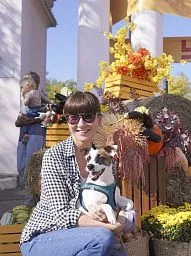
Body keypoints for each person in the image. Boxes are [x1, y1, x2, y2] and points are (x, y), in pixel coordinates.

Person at [20, 92, 134, 256]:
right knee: (102, 239)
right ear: (67, 120)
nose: (81, 124)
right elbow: (61, 216)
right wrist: (109, 226)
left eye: (88, 117)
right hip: (43, 237)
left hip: (87, 235)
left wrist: (122, 218)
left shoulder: (103, 157)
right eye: (73, 117)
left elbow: (112, 198)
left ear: (99, 119)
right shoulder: (54, 157)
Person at [15, 73, 46, 200]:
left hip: (36, 134)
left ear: (35, 83)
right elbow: (18, 121)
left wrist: (31, 119)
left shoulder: (40, 96)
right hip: (23, 136)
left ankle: (32, 199)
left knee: (32, 167)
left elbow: (46, 116)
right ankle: (31, 195)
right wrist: (24, 119)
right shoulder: (25, 98)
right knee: (21, 167)